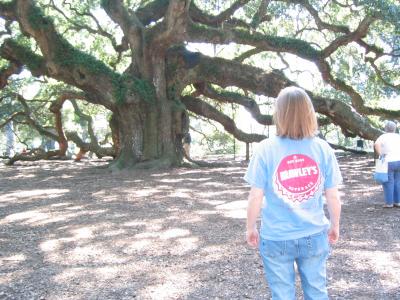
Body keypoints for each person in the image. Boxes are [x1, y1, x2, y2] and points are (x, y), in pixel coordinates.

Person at [244, 86, 342, 300]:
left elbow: (255, 196)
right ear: (310, 113)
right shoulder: (323, 148)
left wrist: (250, 227)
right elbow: (333, 195)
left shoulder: (264, 149)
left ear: (279, 114)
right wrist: (335, 224)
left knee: (282, 294)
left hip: (276, 236)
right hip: (314, 234)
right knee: (317, 292)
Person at [374, 121, 400, 208]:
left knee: (388, 182)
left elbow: (376, 144)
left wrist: (381, 154)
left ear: (385, 128)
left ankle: (389, 203)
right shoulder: (398, 136)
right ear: (394, 129)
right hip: (399, 161)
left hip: (388, 161)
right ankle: (398, 202)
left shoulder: (383, 136)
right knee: (397, 182)